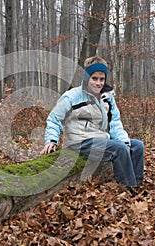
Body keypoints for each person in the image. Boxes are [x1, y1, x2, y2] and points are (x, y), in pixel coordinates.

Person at [40, 56, 144, 196]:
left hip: (101, 139)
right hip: (79, 141)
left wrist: (125, 141)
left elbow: (115, 123)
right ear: (87, 77)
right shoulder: (72, 96)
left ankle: (137, 183)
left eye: (102, 79)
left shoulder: (107, 97)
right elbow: (54, 119)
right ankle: (127, 189)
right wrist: (51, 140)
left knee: (137, 146)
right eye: (94, 78)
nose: (98, 83)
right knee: (118, 149)